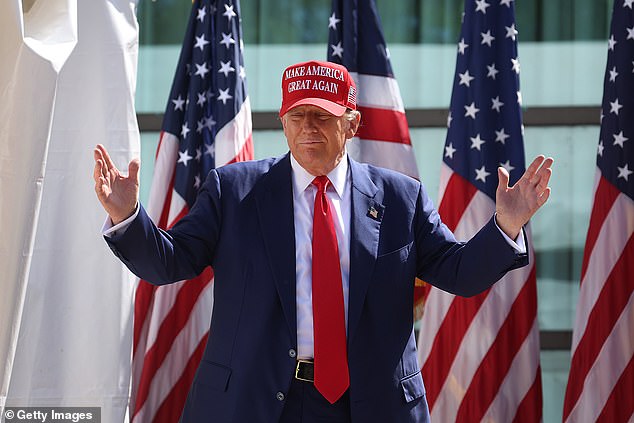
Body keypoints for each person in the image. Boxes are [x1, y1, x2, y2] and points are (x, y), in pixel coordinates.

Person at [94, 60, 553, 423]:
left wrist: (505, 227)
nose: (308, 127)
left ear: (351, 124)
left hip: (369, 404)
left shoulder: (400, 197)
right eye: (298, 115)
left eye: (323, 116)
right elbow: (168, 263)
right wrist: (127, 216)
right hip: (256, 401)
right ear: (283, 121)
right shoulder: (234, 191)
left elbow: (458, 272)